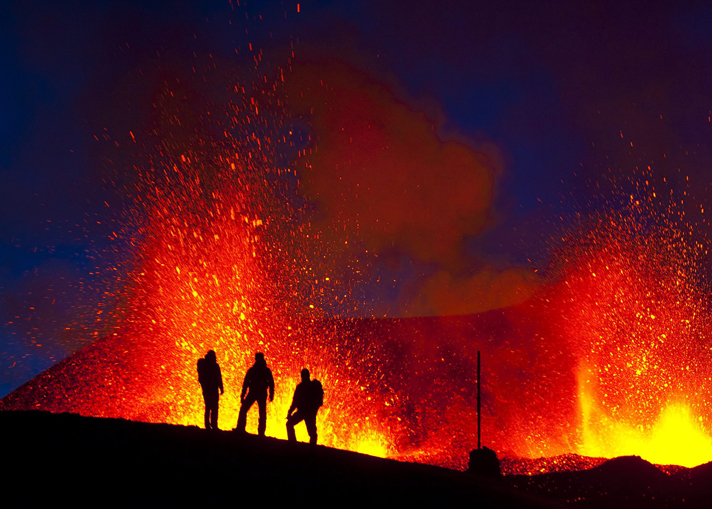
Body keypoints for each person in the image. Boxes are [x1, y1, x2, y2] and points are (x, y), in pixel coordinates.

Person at [235, 352, 274, 436]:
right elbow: (271, 383)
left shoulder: (253, 370)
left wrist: (243, 395)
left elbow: (246, 383)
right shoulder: (265, 370)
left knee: (245, 410)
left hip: (255, 392)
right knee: (261, 413)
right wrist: (271, 394)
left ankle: (241, 428)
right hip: (260, 393)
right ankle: (260, 433)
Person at [286, 368, 323, 445]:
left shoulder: (303, 387)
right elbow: (295, 401)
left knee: (290, 424)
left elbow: (295, 402)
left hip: (305, 412)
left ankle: (293, 444)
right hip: (308, 413)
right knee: (312, 433)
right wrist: (290, 412)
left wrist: (290, 412)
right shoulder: (306, 387)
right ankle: (311, 448)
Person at [197, 350, 224, 430]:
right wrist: (221, 388)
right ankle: (211, 425)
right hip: (210, 389)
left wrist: (221, 388)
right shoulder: (210, 365)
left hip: (210, 389)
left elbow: (219, 377)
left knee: (212, 407)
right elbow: (219, 378)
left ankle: (211, 425)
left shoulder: (210, 365)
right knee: (211, 407)